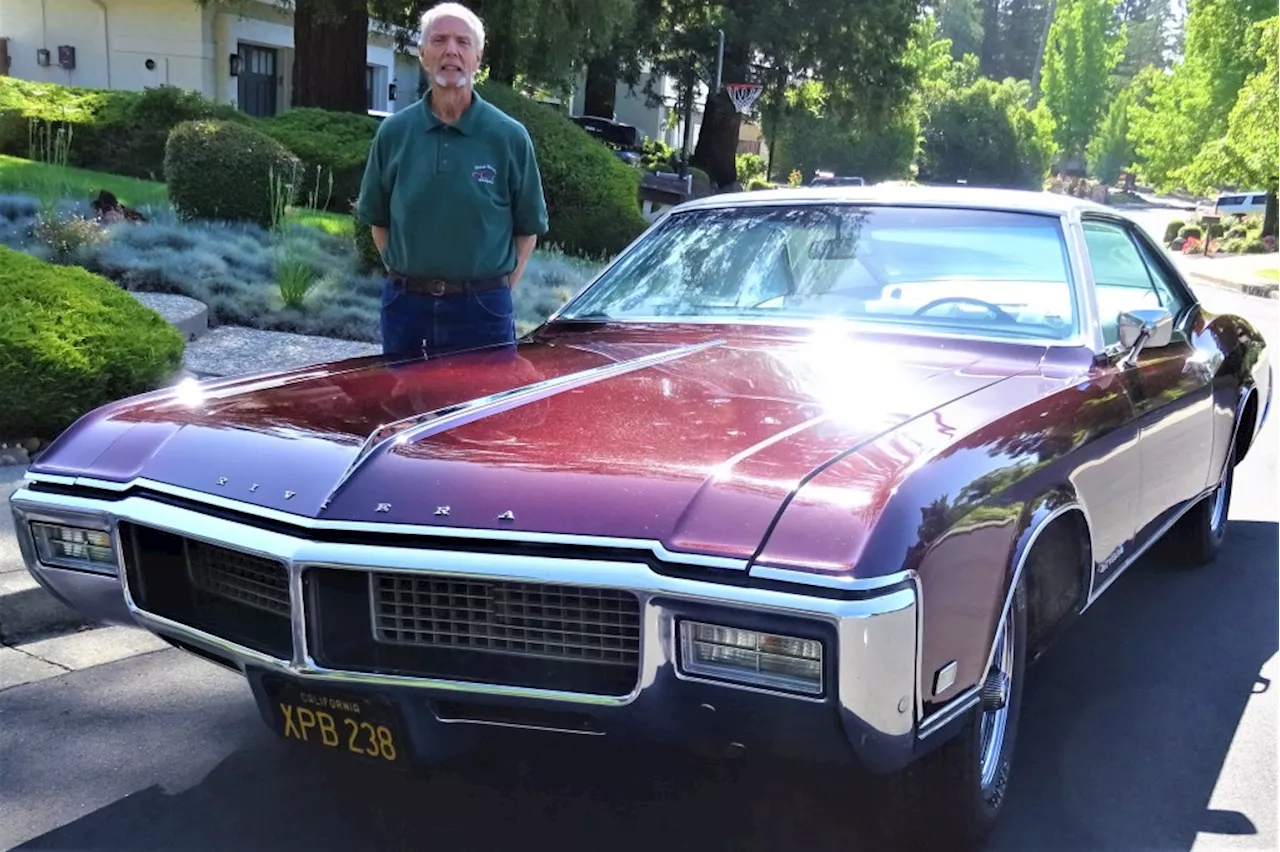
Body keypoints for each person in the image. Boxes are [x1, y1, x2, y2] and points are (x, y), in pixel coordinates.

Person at [355, 1, 549, 357]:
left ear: (477, 57)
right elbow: (378, 223)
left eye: (463, 42)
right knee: (403, 409)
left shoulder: (509, 137)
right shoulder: (394, 134)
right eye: (440, 40)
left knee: (485, 412)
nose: (451, 51)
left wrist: (499, 290)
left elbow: (527, 231)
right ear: (423, 53)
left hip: (483, 311)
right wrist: (410, 278)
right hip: (406, 309)